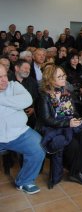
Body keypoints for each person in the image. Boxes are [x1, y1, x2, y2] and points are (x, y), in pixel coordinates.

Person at [37, 65, 82, 185]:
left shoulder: (66, 92)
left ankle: (78, 171)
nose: (63, 78)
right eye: (59, 76)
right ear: (50, 79)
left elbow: (73, 111)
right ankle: (78, 171)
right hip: (53, 127)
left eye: (63, 75)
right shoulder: (44, 96)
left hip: (68, 124)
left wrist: (76, 118)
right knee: (74, 144)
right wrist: (67, 123)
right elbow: (47, 119)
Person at [0, 64, 45, 194]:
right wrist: (12, 103)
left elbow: (26, 100)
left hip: (19, 133)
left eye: (4, 75)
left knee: (39, 147)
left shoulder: (14, 86)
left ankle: (25, 181)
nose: (4, 80)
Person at [11, 60, 39, 129]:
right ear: (17, 68)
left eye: (29, 69)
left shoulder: (32, 81)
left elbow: (37, 97)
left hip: (30, 117)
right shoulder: (8, 81)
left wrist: (33, 108)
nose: (28, 71)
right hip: (12, 117)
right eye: (25, 68)